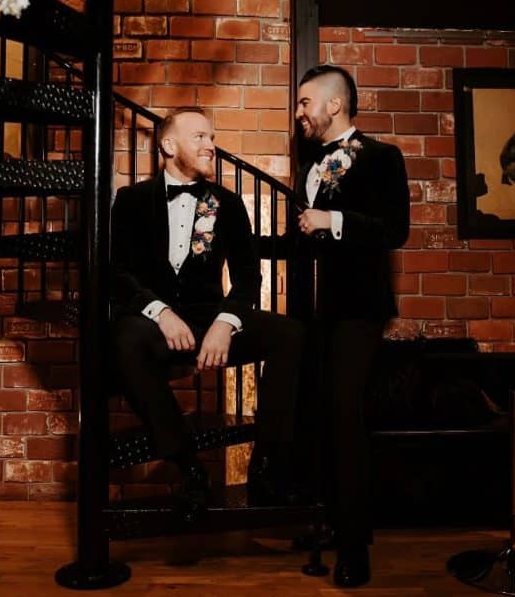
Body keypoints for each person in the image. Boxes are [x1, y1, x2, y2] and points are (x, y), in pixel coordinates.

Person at [111, 107, 304, 521]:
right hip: (155, 323)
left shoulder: (228, 205)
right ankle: (189, 467)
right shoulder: (130, 201)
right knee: (124, 339)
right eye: (199, 136)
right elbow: (117, 272)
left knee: (291, 334)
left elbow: (249, 277)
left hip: (209, 318)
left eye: (211, 137)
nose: (210, 145)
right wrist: (159, 312)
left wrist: (224, 322)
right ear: (168, 145)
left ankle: (267, 464)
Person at [290, 65, 411, 587]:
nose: (299, 113)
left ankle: (355, 546)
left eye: (304, 103)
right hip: (318, 311)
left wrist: (331, 222)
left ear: (334, 105)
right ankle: (327, 522)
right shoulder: (308, 162)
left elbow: (395, 230)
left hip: (360, 309)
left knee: (345, 415)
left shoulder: (382, 157)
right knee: (316, 414)